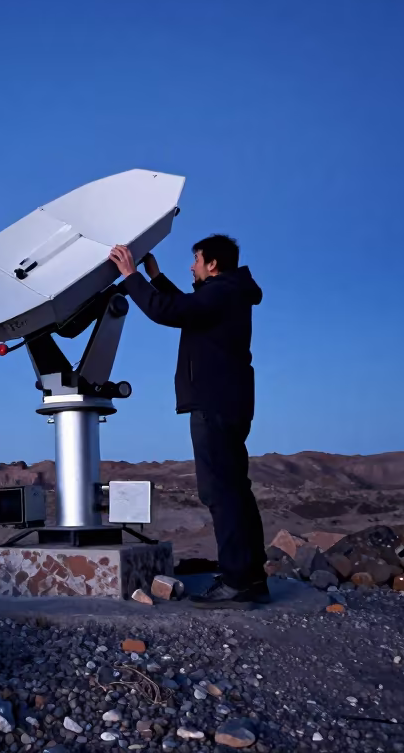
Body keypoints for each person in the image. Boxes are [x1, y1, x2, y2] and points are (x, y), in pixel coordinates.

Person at [108, 235, 268, 608]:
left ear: (213, 264)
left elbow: (169, 312)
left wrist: (132, 276)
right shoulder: (228, 293)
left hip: (213, 403)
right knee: (235, 490)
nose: (192, 265)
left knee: (220, 493)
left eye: (196, 259)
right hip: (228, 401)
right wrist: (157, 277)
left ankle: (237, 581)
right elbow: (187, 306)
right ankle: (250, 576)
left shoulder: (221, 292)